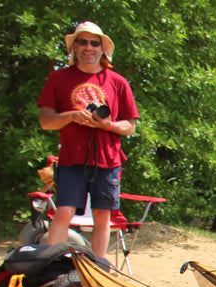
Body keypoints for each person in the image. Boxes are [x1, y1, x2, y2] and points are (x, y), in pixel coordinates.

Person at [37, 21, 138, 261]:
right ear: (74, 48)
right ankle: (53, 266)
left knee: (102, 217)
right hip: (72, 158)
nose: (88, 47)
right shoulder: (58, 78)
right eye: (82, 41)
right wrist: (72, 115)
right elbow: (46, 122)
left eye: (95, 42)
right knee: (63, 212)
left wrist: (108, 125)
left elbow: (130, 126)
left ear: (103, 48)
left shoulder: (118, 81)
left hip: (108, 159)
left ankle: (97, 270)